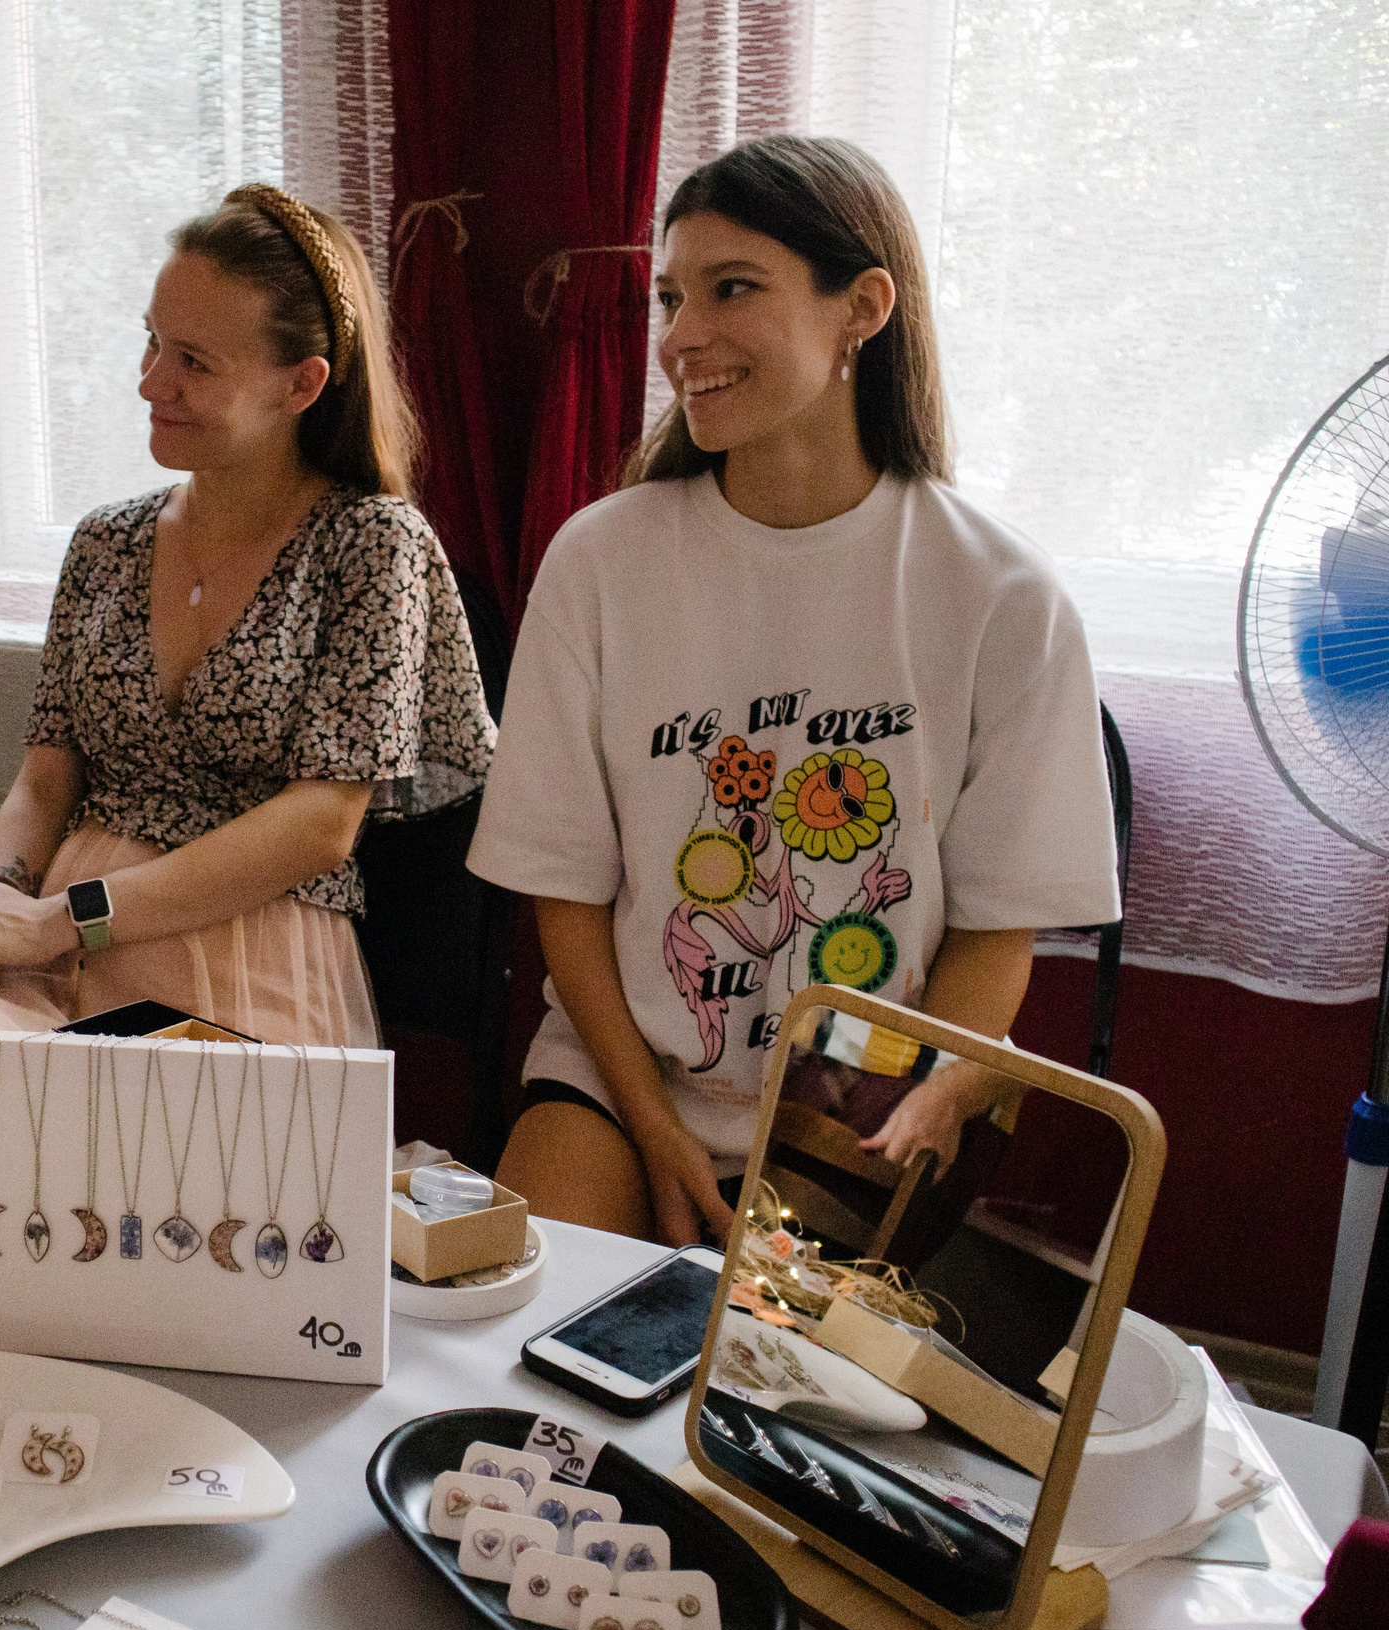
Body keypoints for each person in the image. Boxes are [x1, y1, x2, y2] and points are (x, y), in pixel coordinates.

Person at [467, 137, 1121, 1246]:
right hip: (621, 1074)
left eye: (732, 289)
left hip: (859, 1100)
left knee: (769, 1354)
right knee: (526, 1322)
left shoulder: (1002, 593)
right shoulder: (599, 561)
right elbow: (565, 900)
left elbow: (992, 932)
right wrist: (656, 1131)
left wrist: (905, 1111)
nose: (680, 336)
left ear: (861, 308)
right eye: (671, 297)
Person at [0, 184, 494, 1046]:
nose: (149, 382)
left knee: (159, 1129)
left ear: (301, 384)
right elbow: (46, 781)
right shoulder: (104, 541)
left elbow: (320, 826)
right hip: (52, 953)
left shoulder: (371, 544)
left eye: (194, 362)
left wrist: (55, 921)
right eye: (152, 341)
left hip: (248, 955)